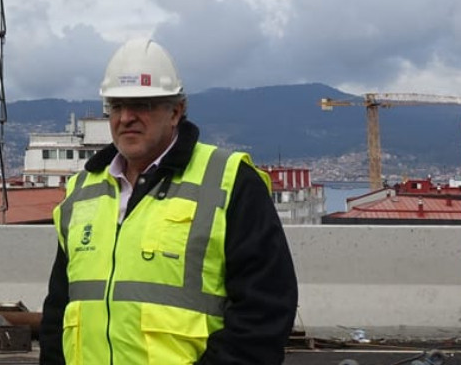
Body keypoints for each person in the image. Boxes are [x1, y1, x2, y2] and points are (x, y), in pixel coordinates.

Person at [41, 37, 297, 365]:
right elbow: (58, 311)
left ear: (175, 112)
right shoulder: (82, 190)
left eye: (142, 105)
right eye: (117, 106)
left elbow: (265, 310)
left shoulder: (229, 181)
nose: (126, 118)